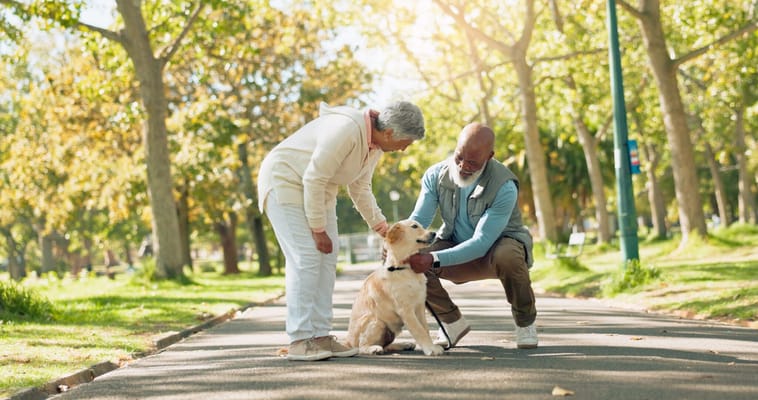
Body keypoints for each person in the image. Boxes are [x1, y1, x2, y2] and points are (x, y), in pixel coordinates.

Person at [257, 101, 426, 361]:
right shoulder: (346, 129)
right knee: (307, 257)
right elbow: (313, 176)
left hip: (319, 191)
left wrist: (381, 227)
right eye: (407, 142)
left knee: (328, 257)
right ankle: (300, 339)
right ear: (391, 132)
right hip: (285, 181)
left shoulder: (375, 146)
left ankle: (321, 336)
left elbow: (360, 188)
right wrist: (317, 229)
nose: (405, 148)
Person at [405, 122, 538, 349]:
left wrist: (434, 259)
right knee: (408, 261)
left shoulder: (504, 186)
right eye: (459, 157)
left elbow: (482, 242)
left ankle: (525, 323)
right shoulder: (436, 175)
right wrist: (398, 241)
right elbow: (419, 221)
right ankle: (451, 322)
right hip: (455, 242)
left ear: (490, 156)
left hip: (496, 250)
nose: (464, 166)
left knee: (508, 255)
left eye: (473, 162)